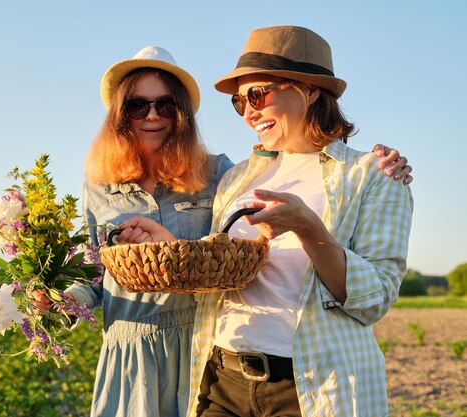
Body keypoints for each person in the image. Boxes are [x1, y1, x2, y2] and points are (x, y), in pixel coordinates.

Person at [31, 44, 413, 417]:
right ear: (119, 115)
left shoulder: (226, 174)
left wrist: (309, 226)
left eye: (258, 95)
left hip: (300, 378)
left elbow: (375, 297)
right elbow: (210, 264)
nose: (249, 111)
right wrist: (167, 250)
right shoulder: (239, 179)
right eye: (240, 102)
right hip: (211, 373)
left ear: (310, 89)